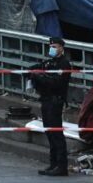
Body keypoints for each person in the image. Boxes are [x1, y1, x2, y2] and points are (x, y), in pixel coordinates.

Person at [29, 37, 71, 177]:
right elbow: (36, 70)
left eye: (55, 46)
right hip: (46, 100)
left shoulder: (64, 64)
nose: (52, 48)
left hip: (55, 101)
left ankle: (61, 166)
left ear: (61, 48)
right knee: (49, 133)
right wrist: (33, 73)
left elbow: (56, 83)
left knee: (56, 134)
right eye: (51, 46)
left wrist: (39, 77)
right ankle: (53, 164)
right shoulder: (49, 63)